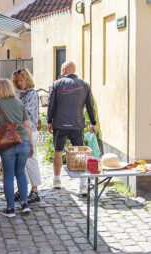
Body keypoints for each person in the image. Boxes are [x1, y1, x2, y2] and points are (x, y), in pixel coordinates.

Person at [47, 61, 97, 196]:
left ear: (64, 70)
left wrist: (49, 120)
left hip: (60, 124)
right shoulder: (85, 85)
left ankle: (57, 180)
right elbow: (90, 106)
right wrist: (93, 122)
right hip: (77, 124)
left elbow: (51, 104)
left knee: (58, 151)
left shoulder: (56, 84)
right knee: (80, 153)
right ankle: (82, 185)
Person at [0, 79, 34, 217]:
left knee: (8, 176)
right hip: (24, 142)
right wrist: (31, 144)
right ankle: (25, 204)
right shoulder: (19, 103)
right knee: (20, 173)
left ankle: (10, 209)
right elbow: (27, 125)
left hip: (8, 143)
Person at [12, 68, 41, 204]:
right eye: (17, 81)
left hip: (30, 132)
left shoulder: (32, 94)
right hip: (20, 131)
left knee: (30, 160)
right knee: (20, 163)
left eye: (21, 80)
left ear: (27, 79)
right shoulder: (21, 94)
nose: (19, 83)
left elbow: (25, 112)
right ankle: (22, 189)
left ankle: (35, 191)